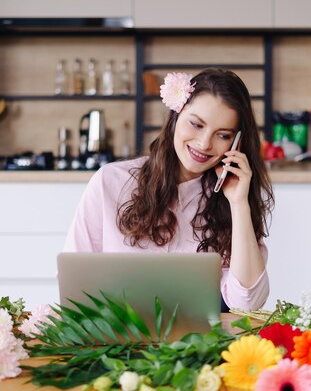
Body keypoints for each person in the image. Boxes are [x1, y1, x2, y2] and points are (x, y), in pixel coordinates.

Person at [63, 68, 274, 310]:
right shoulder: (110, 181)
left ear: (236, 143)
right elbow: (74, 285)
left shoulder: (232, 199)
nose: (204, 143)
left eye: (223, 135)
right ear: (176, 116)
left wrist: (239, 204)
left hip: (195, 344)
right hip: (115, 338)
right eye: (196, 124)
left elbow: (247, 303)